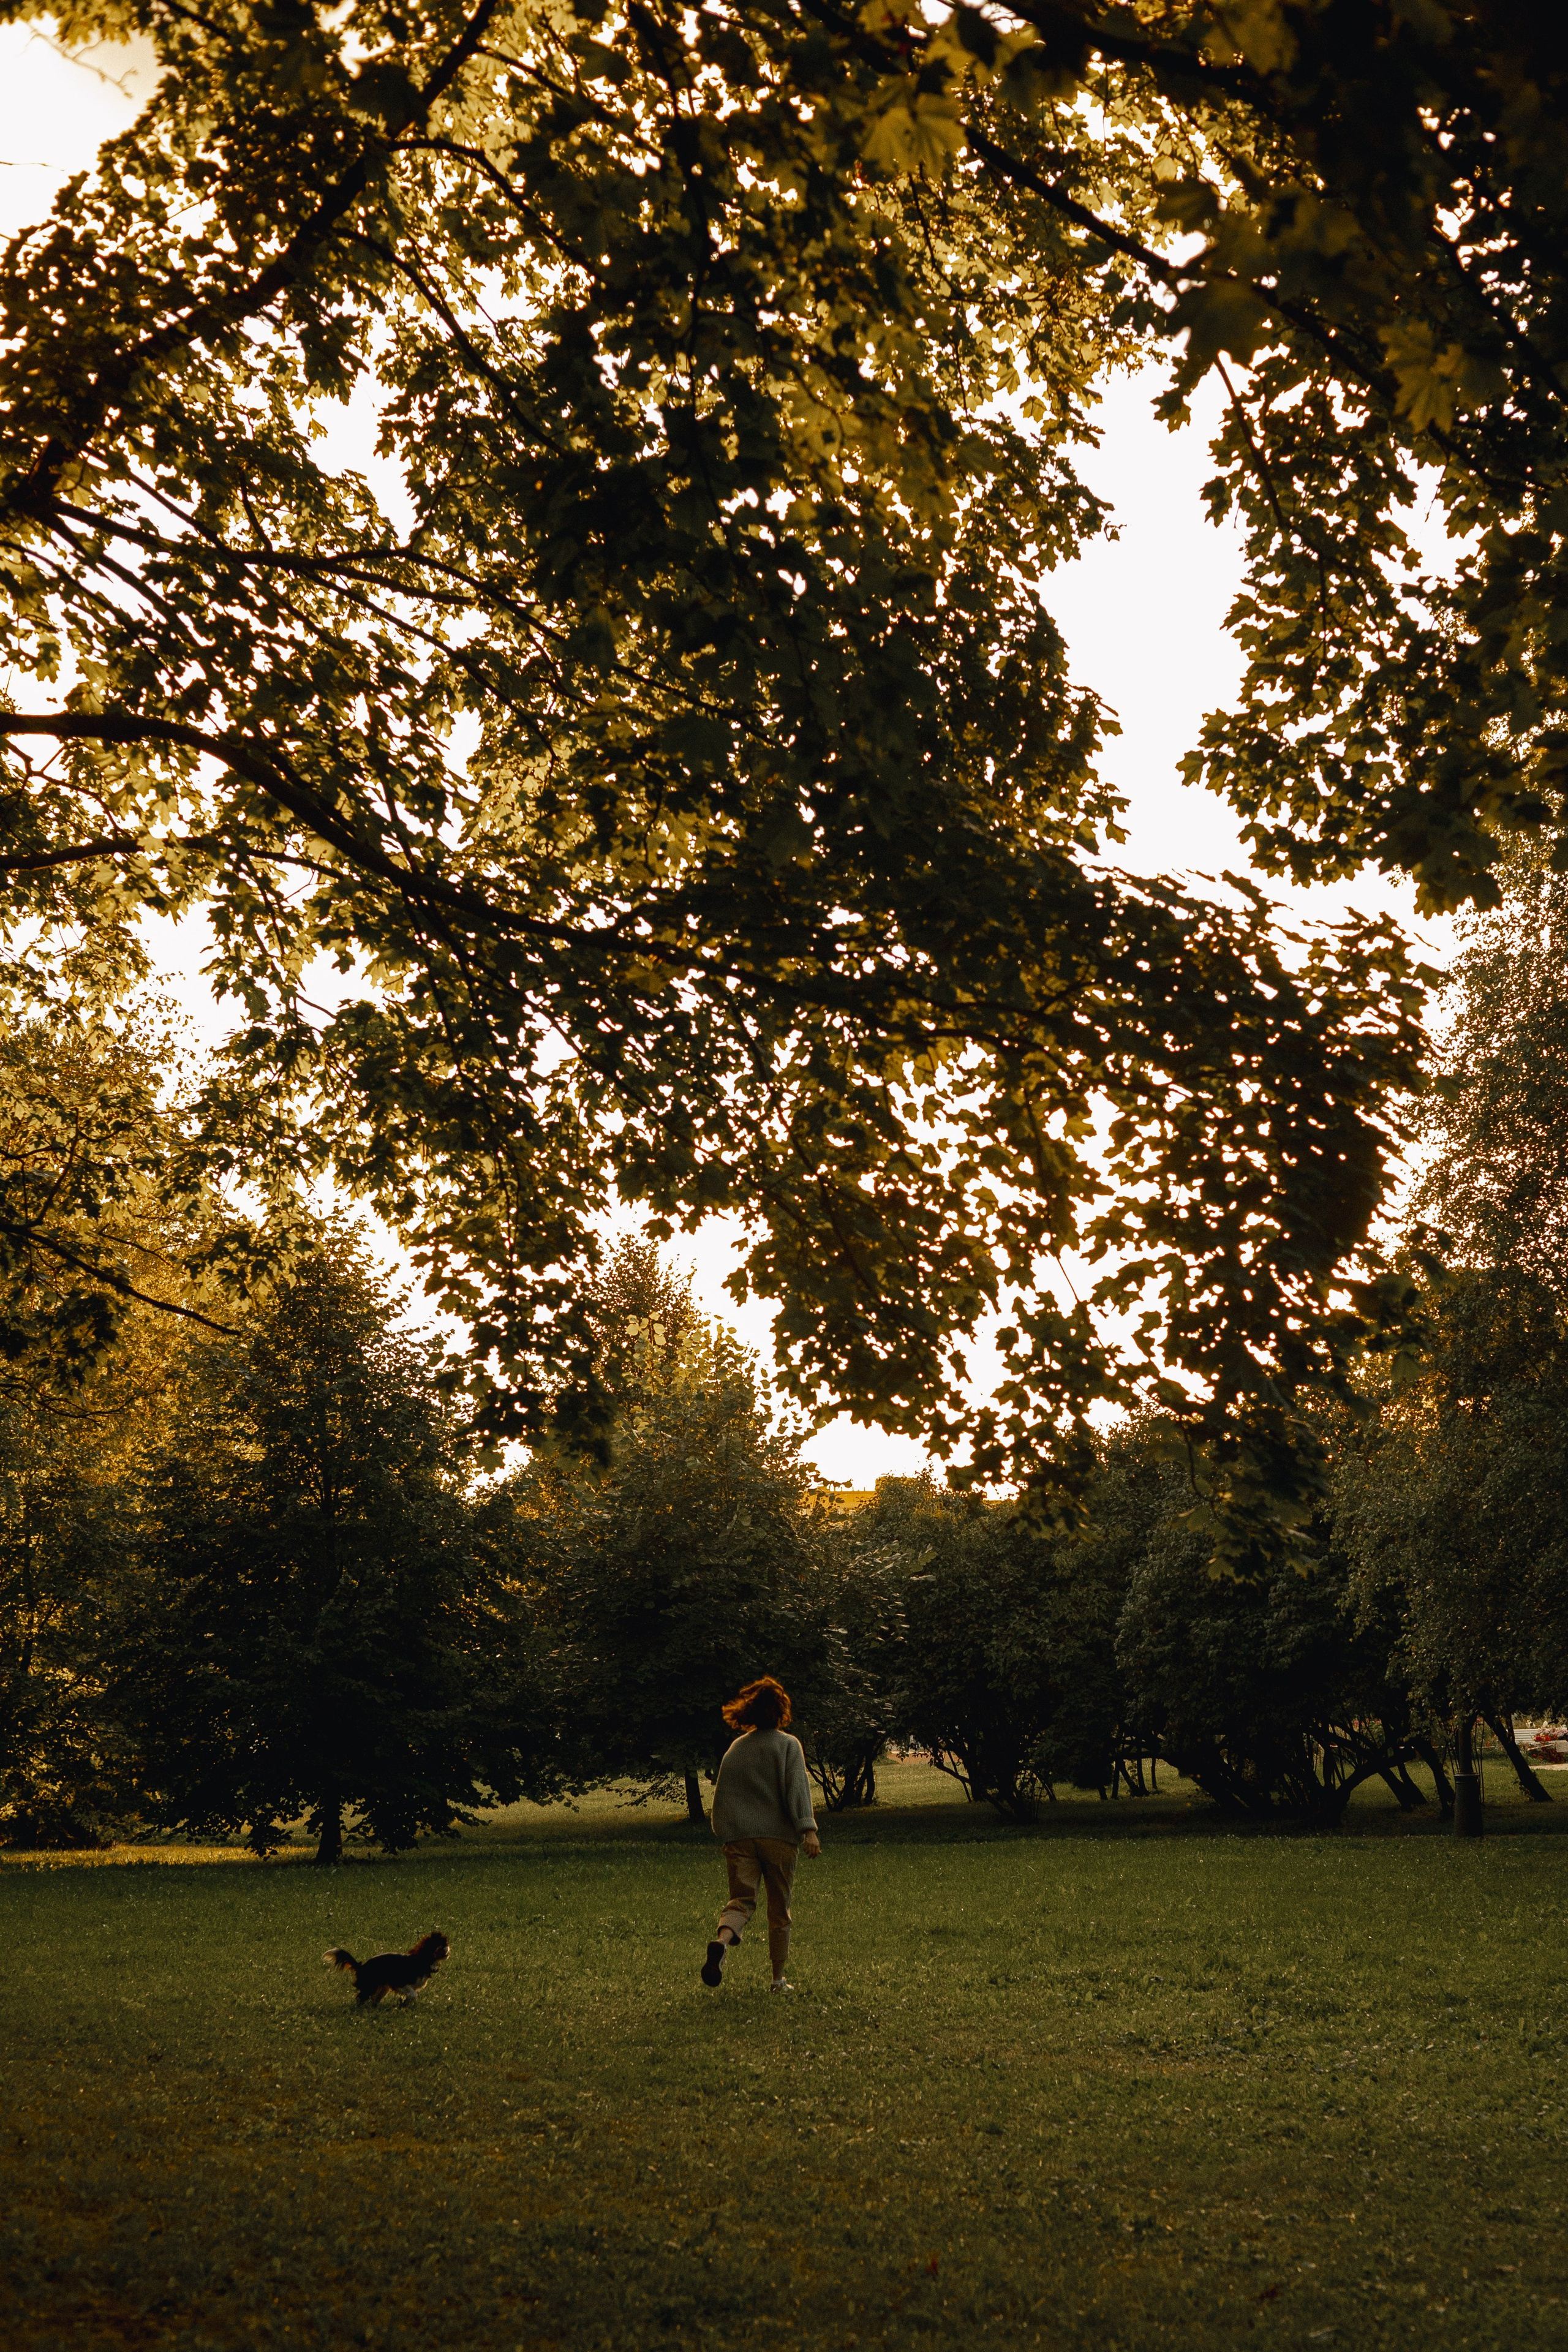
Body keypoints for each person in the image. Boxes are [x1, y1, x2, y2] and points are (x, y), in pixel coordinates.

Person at [700, 1676, 820, 1994]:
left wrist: (726, 1834)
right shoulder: (787, 1745)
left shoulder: (735, 1749)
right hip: (778, 1840)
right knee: (779, 1910)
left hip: (740, 1839)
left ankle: (723, 1943)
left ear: (749, 1711)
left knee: (740, 1901)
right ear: (781, 1710)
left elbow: (723, 1797)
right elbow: (797, 1790)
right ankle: (778, 1980)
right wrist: (808, 1829)